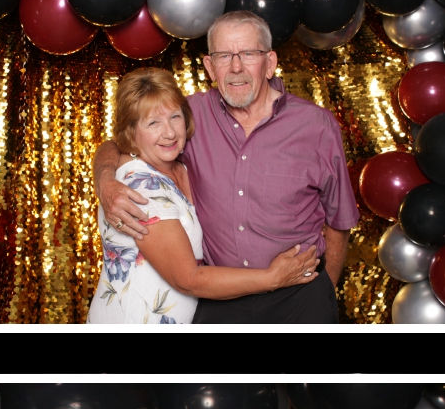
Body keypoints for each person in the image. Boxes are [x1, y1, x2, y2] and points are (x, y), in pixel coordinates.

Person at [93, 10, 361, 324]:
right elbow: (119, 143)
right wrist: (106, 181)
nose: (236, 67)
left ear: (270, 62)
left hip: (298, 294)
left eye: (248, 54)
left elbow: (339, 220)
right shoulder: (187, 115)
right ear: (210, 67)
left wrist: (324, 291)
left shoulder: (316, 125)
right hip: (219, 297)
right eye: (224, 56)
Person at [87, 68, 323, 324]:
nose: (169, 133)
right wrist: (272, 278)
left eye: (175, 117)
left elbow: (110, 147)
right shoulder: (143, 186)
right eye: (153, 123)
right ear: (131, 132)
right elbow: (187, 279)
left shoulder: (181, 167)